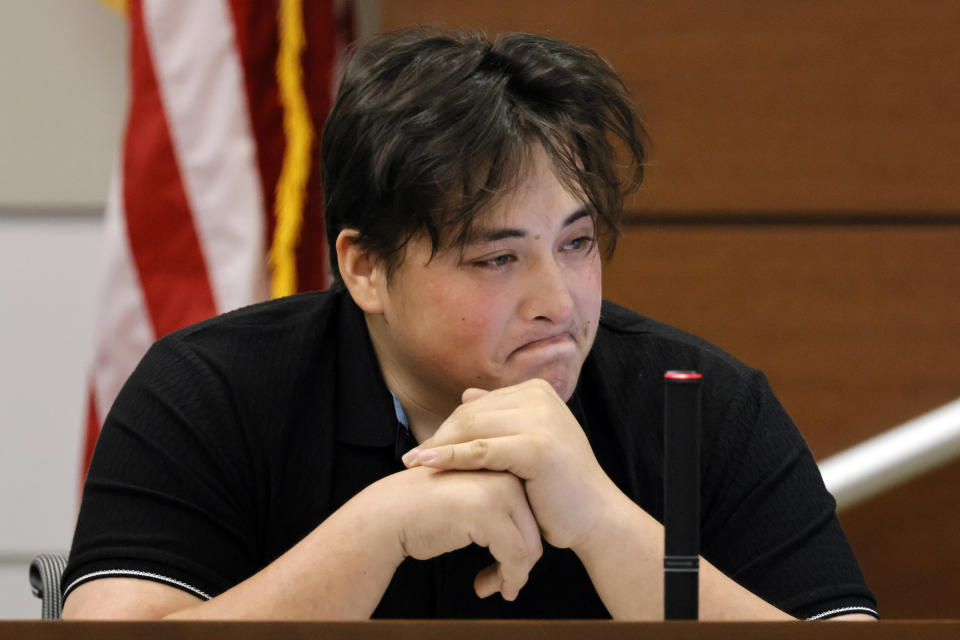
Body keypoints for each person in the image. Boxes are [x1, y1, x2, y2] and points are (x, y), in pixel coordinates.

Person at [61, 27, 877, 621]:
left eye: (578, 243)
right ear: (364, 268)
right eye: (497, 259)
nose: (558, 300)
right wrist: (381, 528)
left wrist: (604, 524)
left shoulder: (699, 401)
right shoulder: (213, 390)